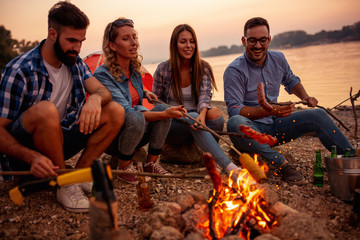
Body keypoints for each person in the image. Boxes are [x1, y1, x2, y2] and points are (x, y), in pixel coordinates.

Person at [0, 1, 124, 212]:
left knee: (115, 111)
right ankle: (65, 183)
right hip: (26, 153)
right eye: (72, 40)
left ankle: (74, 177)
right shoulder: (20, 70)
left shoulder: (75, 62)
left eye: (81, 41)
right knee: (47, 110)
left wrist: (94, 99)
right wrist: (32, 157)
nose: (77, 48)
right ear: (52, 34)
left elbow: (104, 92)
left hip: (58, 138)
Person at [224, 17, 355, 184]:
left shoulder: (278, 58)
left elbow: (291, 81)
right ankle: (284, 166)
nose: (258, 45)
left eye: (263, 40)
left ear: (269, 40)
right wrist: (270, 111)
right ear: (244, 41)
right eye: (252, 40)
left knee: (318, 114)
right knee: (235, 122)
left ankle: (352, 158)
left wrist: (305, 97)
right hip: (251, 131)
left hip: (276, 127)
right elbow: (235, 110)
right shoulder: (234, 70)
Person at [94, 18, 186, 184]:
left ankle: (150, 163)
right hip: (115, 137)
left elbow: (127, 92)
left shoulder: (134, 70)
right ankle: (123, 168)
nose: (133, 43)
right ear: (112, 46)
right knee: (143, 116)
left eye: (134, 37)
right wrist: (166, 114)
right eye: (126, 38)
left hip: (135, 131)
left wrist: (144, 92)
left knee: (162, 108)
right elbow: (127, 111)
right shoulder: (102, 74)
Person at [153, 24, 239, 175]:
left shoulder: (203, 67)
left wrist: (202, 114)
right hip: (172, 125)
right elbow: (156, 103)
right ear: (175, 44)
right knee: (192, 116)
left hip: (196, 120)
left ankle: (206, 154)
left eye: (192, 41)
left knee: (217, 116)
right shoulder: (163, 69)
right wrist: (172, 112)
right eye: (183, 41)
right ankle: (230, 168)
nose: (188, 46)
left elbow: (205, 97)